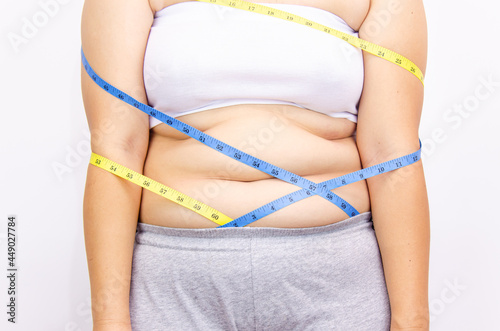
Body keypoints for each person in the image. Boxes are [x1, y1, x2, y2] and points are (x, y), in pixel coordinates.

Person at [81, 0, 430, 330]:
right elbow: (116, 150)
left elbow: (393, 157)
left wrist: (411, 322)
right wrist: (109, 321)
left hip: (337, 278)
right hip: (174, 283)